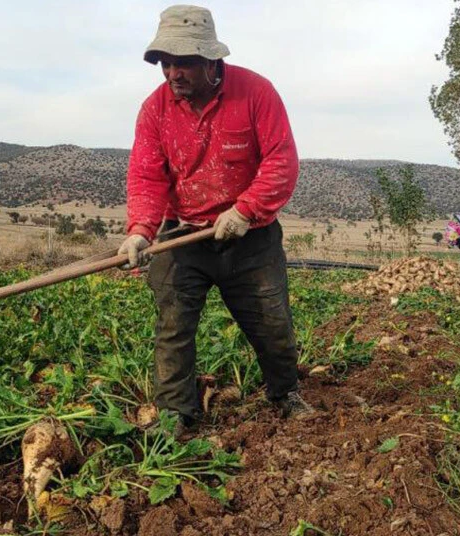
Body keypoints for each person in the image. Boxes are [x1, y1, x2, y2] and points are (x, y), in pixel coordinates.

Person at [118, 4, 313, 435]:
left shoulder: (256, 93)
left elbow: (281, 161)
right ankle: (174, 413)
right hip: (183, 237)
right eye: (165, 64)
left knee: (271, 320)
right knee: (173, 324)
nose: (173, 73)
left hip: (251, 238)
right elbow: (147, 176)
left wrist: (246, 209)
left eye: (183, 62)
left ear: (211, 59)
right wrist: (139, 231)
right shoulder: (155, 110)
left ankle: (285, 392)